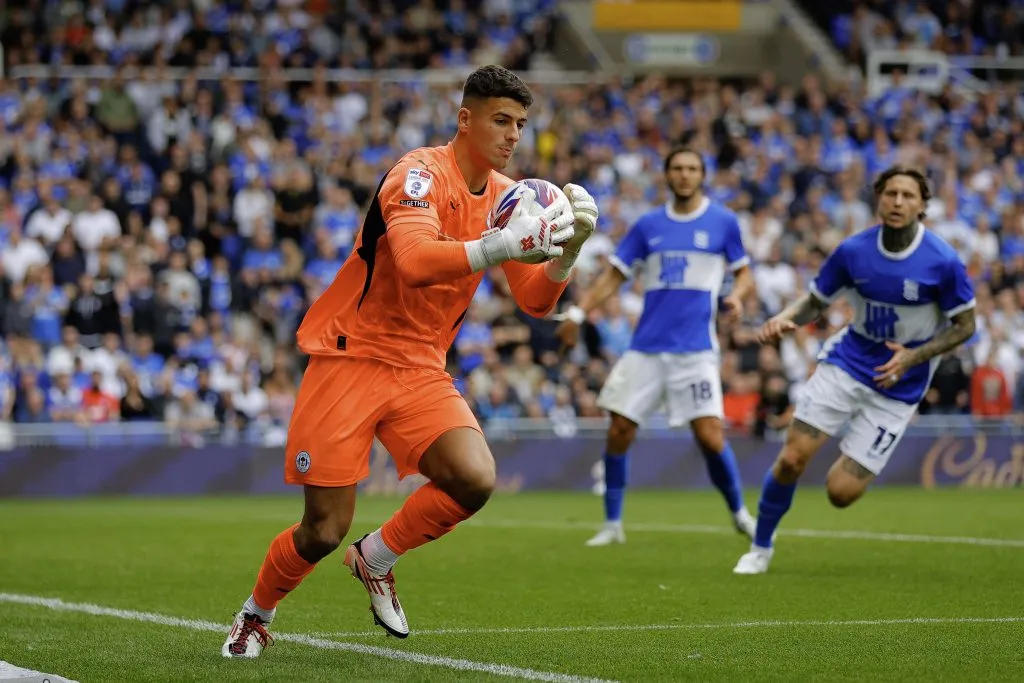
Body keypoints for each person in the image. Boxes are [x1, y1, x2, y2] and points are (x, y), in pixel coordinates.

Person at [221, 65, 600, 657]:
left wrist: (566, 254)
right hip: (352, 355)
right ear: (465, 119)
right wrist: (501, 246)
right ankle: (256, 613)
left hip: (421, 367)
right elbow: (418, 259)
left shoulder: (506, 196)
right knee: (322, 529)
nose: (512, 136)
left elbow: (534, 301)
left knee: (474, 479)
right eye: (501, 120)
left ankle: (377, 558)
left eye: (520, 124)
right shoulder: (418, 174)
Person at [733, 166, 976, 575]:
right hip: (848, 363)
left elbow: (966, 326)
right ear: (878, 199)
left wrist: (911, 357)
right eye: (891, 193)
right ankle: (760, 547)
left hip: (901, 383)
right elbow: (815, 301)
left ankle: (858, 444)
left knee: (841, 493)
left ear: (922, 206)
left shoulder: (943, 261)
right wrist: (787, 317)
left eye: (908, 196)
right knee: (792, 458)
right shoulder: (852, 252)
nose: (898, 202)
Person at [555, 146, 758, 547]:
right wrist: (578, 313)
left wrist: (737, 296)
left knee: (711, 436)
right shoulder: (648, 225)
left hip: (696, 349)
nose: (684, 175)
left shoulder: (723, 222)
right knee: (619, 430)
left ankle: (739, 513)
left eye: (692, 168)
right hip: (647, 347)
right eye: (677, 168)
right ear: (666, 175)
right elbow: (614, 277)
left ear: (703, 175)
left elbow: (744, 273)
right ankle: (613, 524)